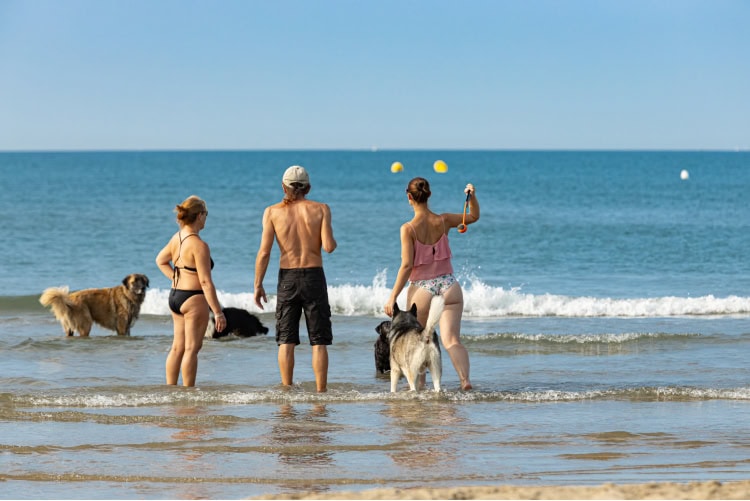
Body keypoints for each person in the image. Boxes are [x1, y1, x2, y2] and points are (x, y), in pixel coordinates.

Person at [384, 177, 480, 391]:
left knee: (420, 341)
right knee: (452, 340)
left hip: (422, 289)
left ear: (409, 197)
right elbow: (473, 216)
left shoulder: (408, 229)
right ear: (429, 195)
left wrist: (392, 296)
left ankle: (421, 388)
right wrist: (471, 197)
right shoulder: (444, 220)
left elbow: (407, 265)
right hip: (449, 285)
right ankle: (465, 380)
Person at [254, 165, 337, 393]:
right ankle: (321, 394)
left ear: (283, 186)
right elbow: (329, 247)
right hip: (313, 276)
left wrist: (258, 284)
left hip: (287, 277)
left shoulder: (272, 212)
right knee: (319, 339)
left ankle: (287, 390)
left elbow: (264, 252)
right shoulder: (321, 209)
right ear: (308, 188)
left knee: (286, 339)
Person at [156, 195, 225, 387]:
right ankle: (188, 395)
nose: (206, 219)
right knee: (192, 349)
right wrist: (218, 312)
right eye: (206, 214)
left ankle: (171, 391)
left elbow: (160, 260)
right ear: (200, 215)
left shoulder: (176, 238)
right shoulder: (200, 245)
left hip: (175, 296)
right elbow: (205, 281)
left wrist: (176, 278)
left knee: (177, 347)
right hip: (193, 299)